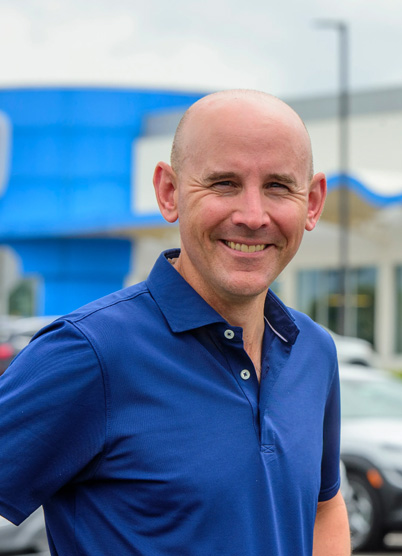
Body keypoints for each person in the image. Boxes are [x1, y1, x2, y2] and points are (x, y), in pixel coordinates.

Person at [0, 89, 350, 555]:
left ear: (313, 201)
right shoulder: (90, 352)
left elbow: (324, 507)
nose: (253, 216)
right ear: (169, 192)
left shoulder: (313, 350)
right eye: (224, 183)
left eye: (278, 186)